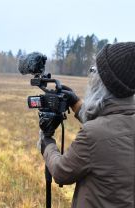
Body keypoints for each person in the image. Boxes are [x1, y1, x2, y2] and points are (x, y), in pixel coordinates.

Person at [39, 42, 135, 207]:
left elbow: (62, 172)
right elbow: (112, 126)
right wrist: (75, 103)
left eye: (94, 71)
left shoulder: (93, 135)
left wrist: (46, 143)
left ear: (103, 83)